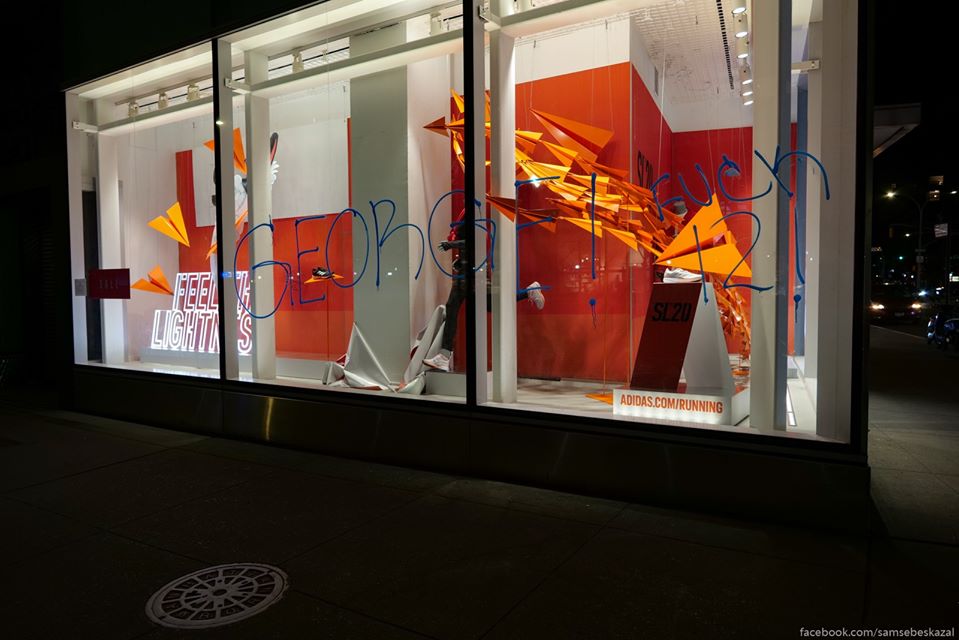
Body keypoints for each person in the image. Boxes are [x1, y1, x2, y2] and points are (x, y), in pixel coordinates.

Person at [423, 212, 545, 373]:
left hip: (470, 276)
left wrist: (451, 245)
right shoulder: (470, 215)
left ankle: (444, 356)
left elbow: (473, 242)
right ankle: (528, 291)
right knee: (491, 305)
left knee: (453, 307)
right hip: (471, 273)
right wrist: (459, 259)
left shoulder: (470, 216)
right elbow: (474, 245)